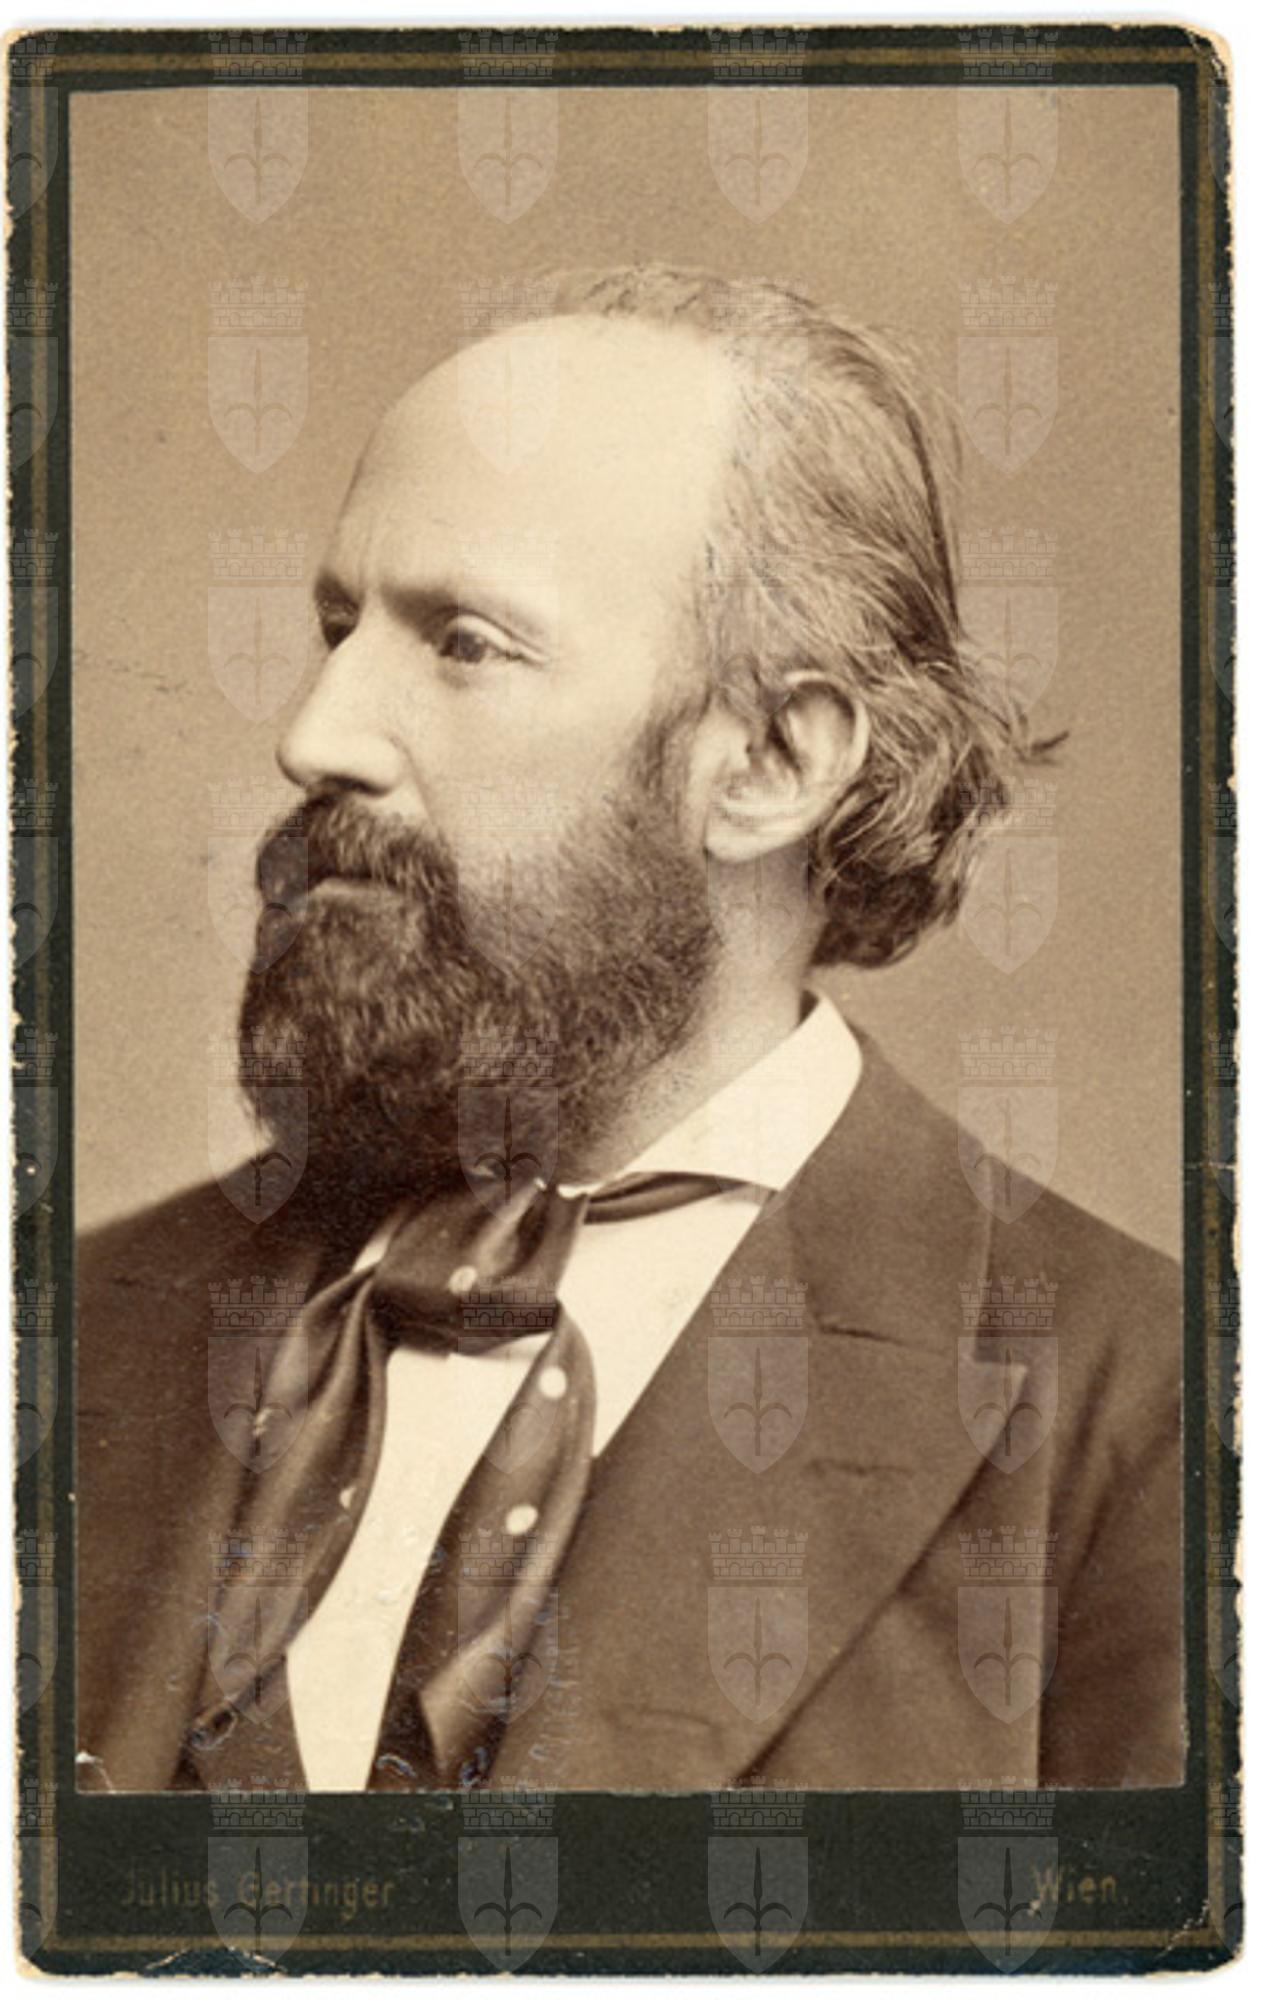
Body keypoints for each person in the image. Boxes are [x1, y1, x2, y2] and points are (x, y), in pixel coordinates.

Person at [77, 265, 1181, 1796]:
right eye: (338, 626)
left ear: (771, 764)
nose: (313, 735)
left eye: (464, 643)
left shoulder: (1146, 1414)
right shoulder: (72, 1326)